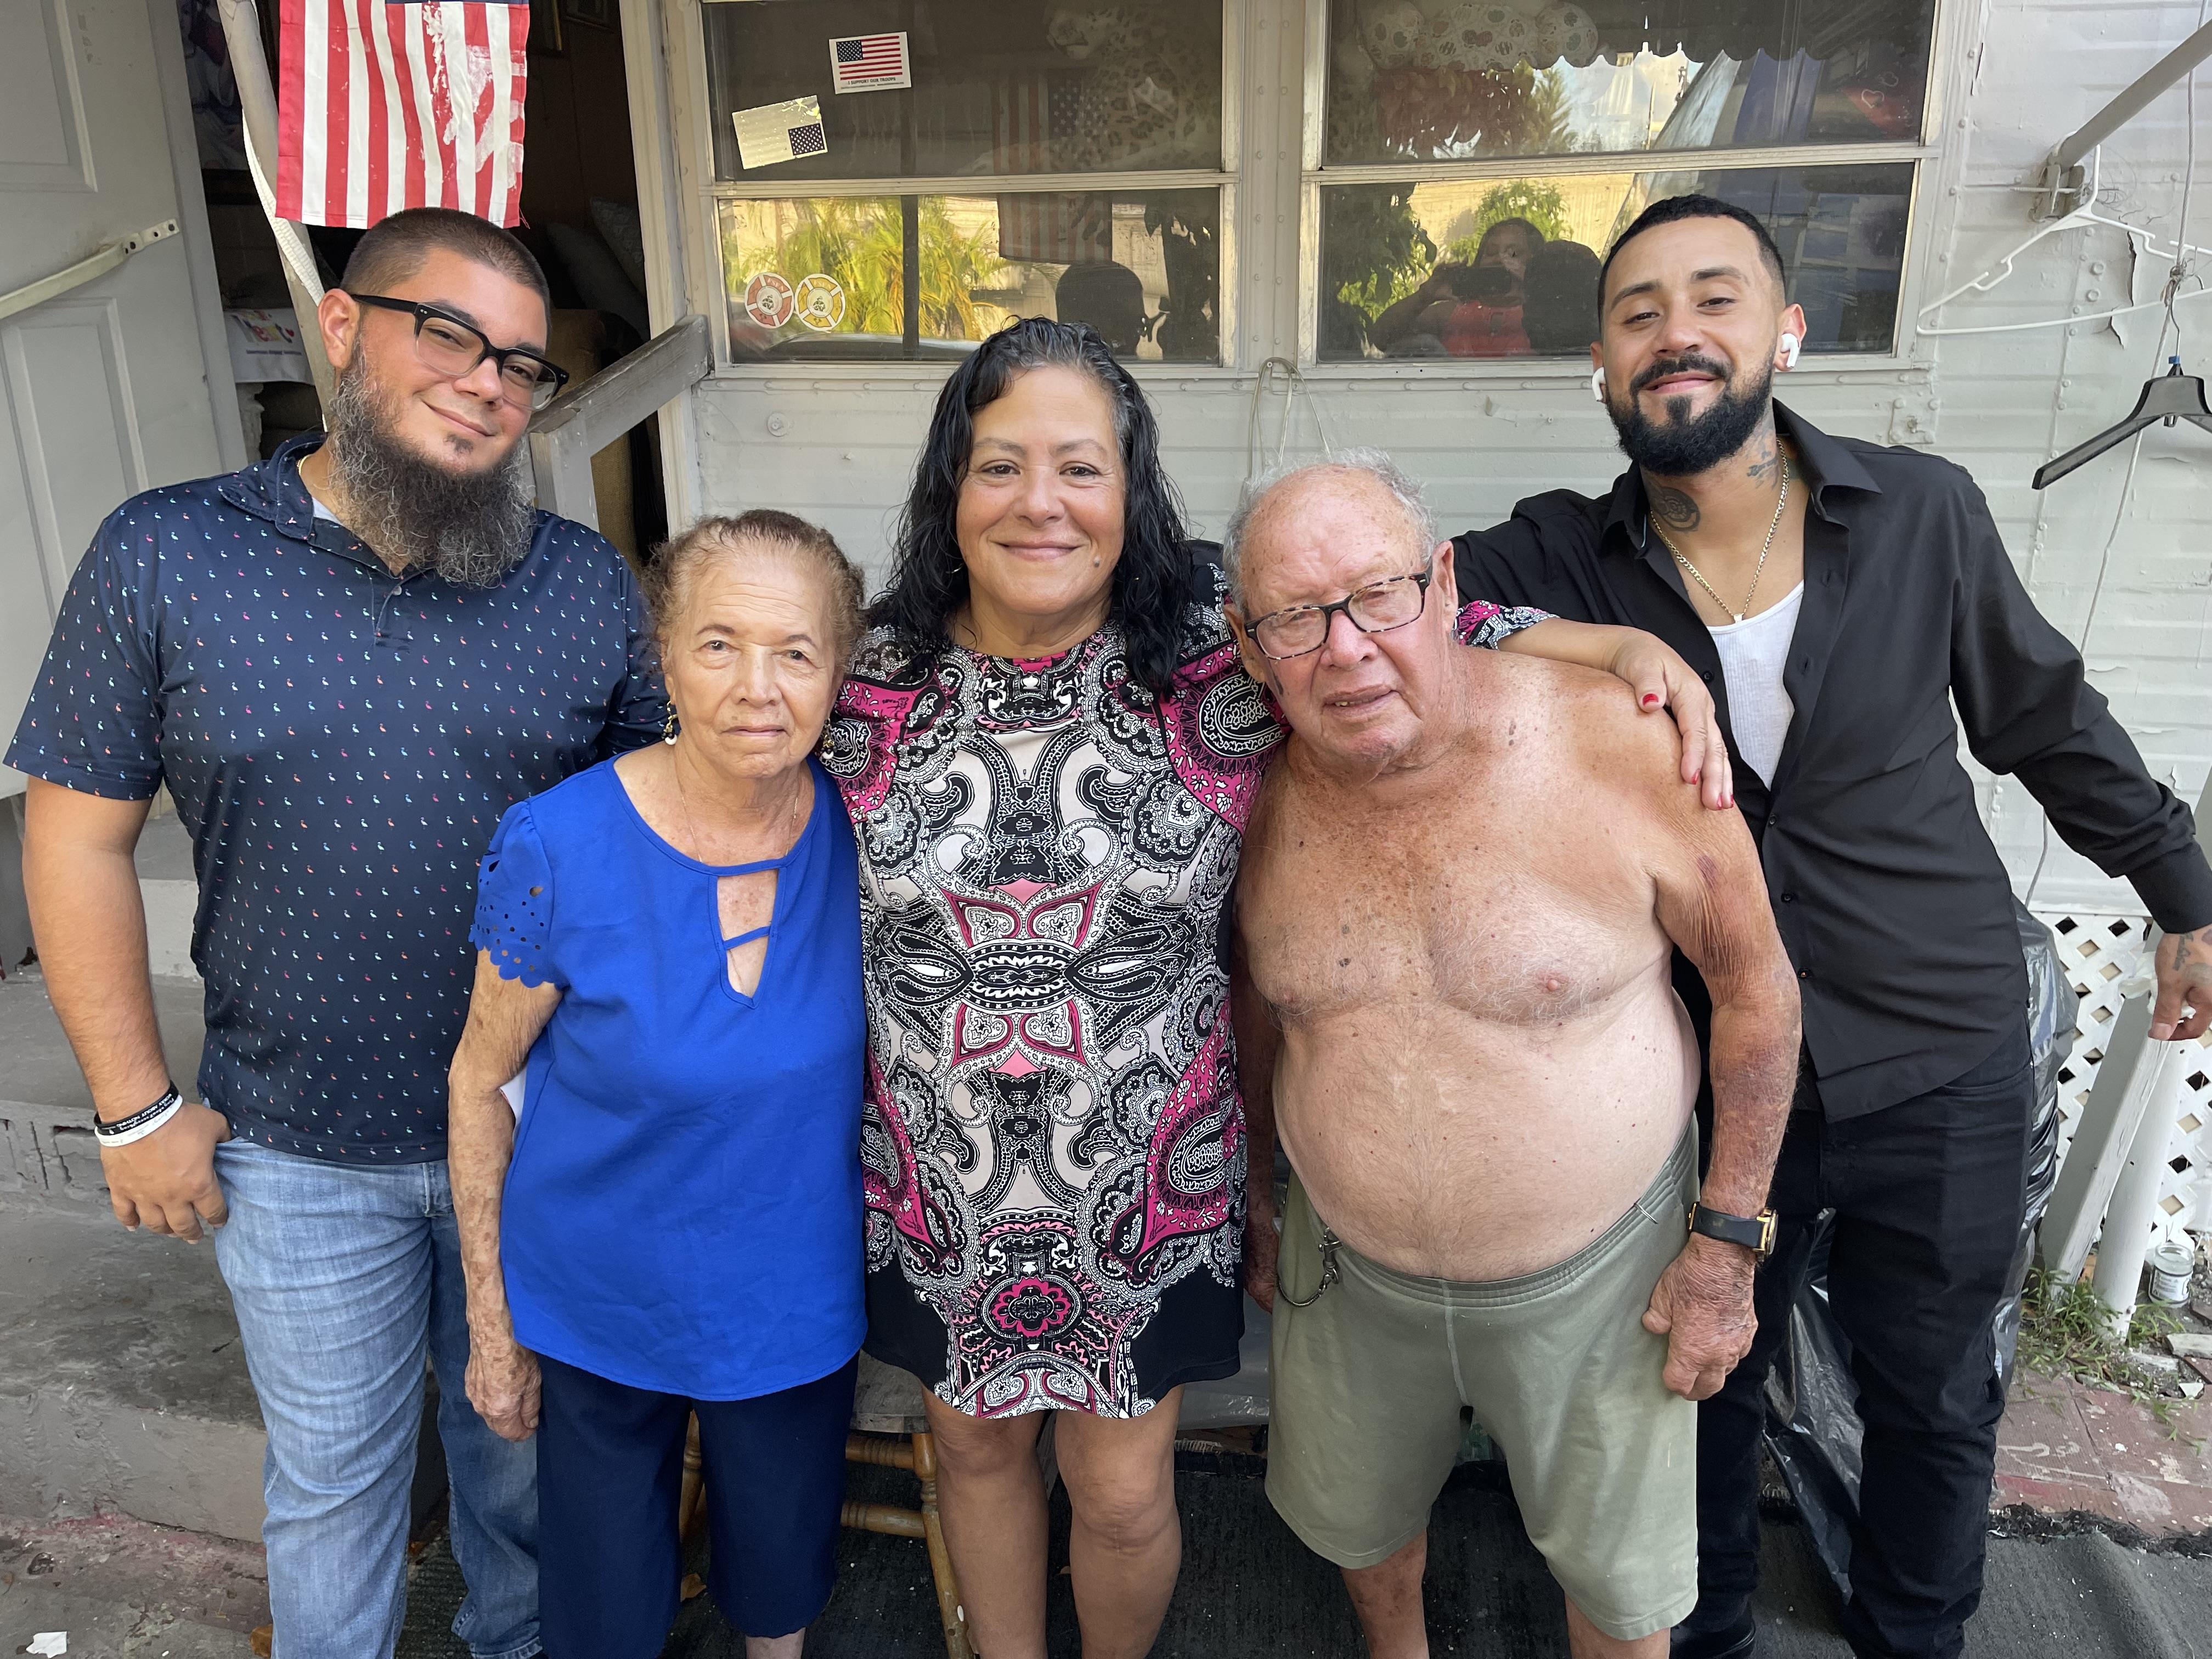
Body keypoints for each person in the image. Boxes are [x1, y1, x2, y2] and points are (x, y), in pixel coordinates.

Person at [819, 315, 1733, 1659]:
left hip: (1148, 1182)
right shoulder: (867, 684)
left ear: (1133, 496)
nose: (1040, 502)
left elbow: (1428, 622)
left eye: (1081, 466)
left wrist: (1617, 653)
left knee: (1124, 1496)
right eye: (1000, 464)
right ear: (949, 485)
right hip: (933, 1178)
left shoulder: (1214, 666)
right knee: (970, 1456)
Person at [1449, 194, 2212, 1659]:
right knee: (1703, 1375)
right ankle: (1711, 1629)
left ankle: (1913, 1636)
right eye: (1638, 313)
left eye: (1715, 298)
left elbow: (2040, 716)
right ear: (1605, 373)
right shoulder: (1561, 553)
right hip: (1718, 1066)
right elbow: (1400, 609)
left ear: (1785, 332)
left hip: (1943, 1042)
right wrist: (1606, 644)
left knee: (1936, 1394)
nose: (1679, 331)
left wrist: (2181, 893)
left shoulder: (1917, 511)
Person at [8, 207, 663, 1659]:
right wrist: (131, 1109)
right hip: (295, 1149)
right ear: (344, 327)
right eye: (450, 334)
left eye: (522, 364)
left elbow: (667, 839)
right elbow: (77, 831)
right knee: (335, 1491)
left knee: (525, 1473)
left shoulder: (580, 586)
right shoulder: (169, 556)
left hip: (538, 1137)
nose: (489, 381)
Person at [1226, 451, 1801, 1659]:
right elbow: (1259, 1003)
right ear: (1247, 643)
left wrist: (1726, 1247)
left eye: (1380, 594)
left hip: (1603, 1277)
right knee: (1363, 1531)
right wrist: (1265, 1198)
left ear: (1444, 585)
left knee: (1618, 1582)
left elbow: (1757, 992)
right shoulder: (1244, 793)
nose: (1344, 648)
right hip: (1348, 1262)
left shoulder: (1624, 746)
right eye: (1294, 619)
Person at [448, 512, 869, 1659]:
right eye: (719, 643)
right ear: (665, 657)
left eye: (796, 651)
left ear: (838, 673)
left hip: (789, 1293)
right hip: (599, 1295)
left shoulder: (869, 830)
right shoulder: (555, 844)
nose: (758, 687)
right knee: (605, 1607)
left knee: (778, 1582)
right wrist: (493, 1324)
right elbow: (481, 1083)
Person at [1370, 217, 1544, 356]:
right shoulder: (1454, 312)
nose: (1500, 259)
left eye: (1513, 253)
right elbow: (1381, 338)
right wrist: (1425, 296)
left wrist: (1535, 287)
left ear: (1534, 262)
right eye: (1491, 252)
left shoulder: (1546, 313)